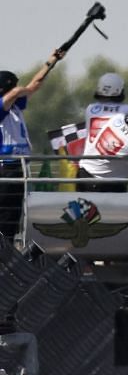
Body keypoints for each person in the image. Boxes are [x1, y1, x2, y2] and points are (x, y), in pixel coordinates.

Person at [0, 51, 64, 243]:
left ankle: (8, 251)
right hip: (5, 167)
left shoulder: (15, 106)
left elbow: (34, 84)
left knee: (14, 215)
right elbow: (20, 91)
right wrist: (24, 89)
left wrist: (51, 61)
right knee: (4, 214)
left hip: (19, 167)